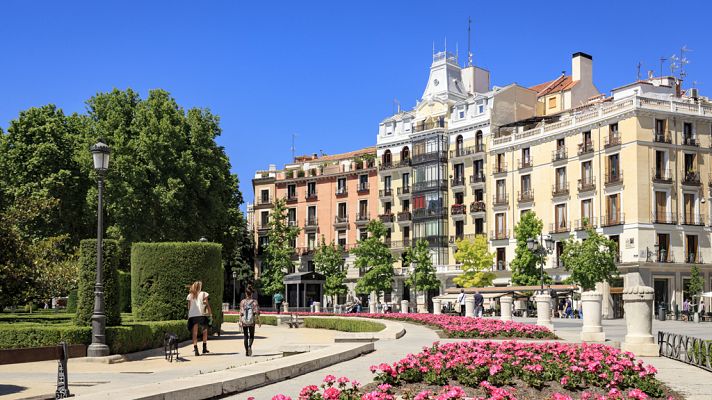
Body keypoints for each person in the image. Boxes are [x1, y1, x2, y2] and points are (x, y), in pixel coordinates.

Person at [187, 281, 212, 356]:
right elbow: (206, 304)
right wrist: (210, 313)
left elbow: (189, 307)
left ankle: (196, 349)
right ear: (200, 286)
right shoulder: (204, 293)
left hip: (192, 315)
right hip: (201, 314)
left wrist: (189, 315)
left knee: (195, 332)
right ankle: (204, 348)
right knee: (204, 330)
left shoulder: (190, 295)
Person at [240, 284, 261, 356]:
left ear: (246, 293)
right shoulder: (254, 302)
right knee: (251, 335)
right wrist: (259, 321)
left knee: (245, 336)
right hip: (252, 321)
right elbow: (257, 312)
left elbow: (241, 313)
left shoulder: (242, 302)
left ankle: (246, 352)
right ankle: (249, 346)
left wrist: (240, 321)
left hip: (244, 321)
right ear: (251, 293)